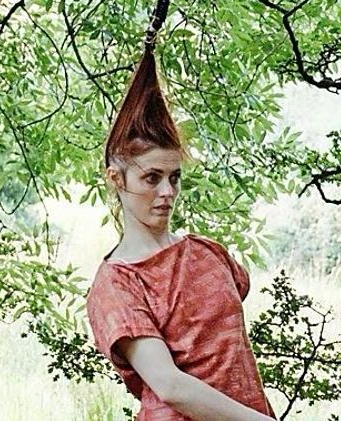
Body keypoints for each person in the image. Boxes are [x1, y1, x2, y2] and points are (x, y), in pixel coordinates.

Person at [85, 52, 273, 421]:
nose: (167, 191)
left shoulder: (208, 254)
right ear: (116, 179)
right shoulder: (117, 284)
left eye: (174, 177)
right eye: (152, 178)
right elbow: (170, 385)